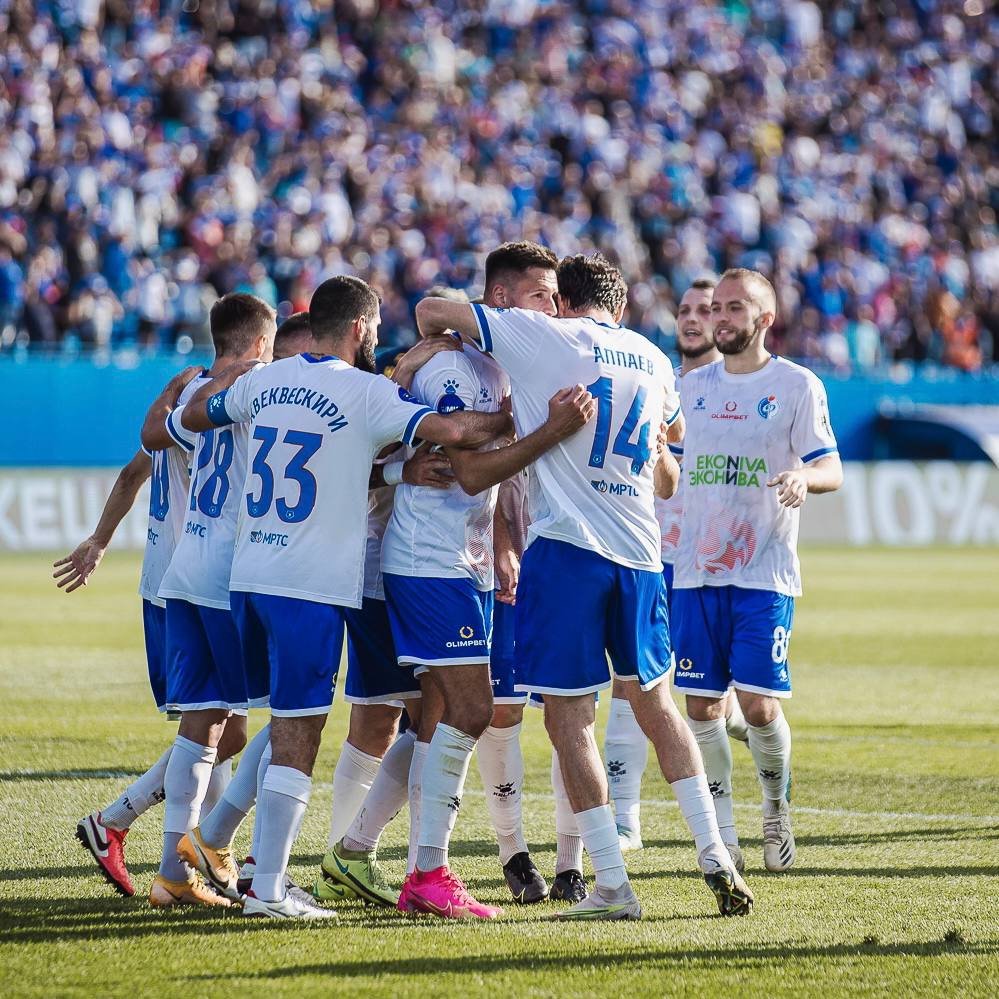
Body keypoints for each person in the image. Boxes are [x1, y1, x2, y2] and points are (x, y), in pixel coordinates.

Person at [414, 253, 754, 920]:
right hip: (641, 555)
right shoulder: (652, 358)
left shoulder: (547, 335)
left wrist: (443, 343)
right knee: (657, 707)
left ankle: (612, 884)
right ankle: (715, 853)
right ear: (620, 307)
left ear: (565, 303)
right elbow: (668, 468)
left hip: (568, 551)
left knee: (569, 720)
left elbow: (430, 309)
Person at [180, 275, 511, 919]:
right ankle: (268, 888)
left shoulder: (265, 380)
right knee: (300, 734)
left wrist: (224, 391)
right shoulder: (365, 391)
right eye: (376, 329)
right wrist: (513, 416)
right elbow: (454, 431)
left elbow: (192, 417)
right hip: (309, 585)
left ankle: (231, 852)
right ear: (360, 327)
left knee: (284, 723)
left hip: (250, 576)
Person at [670, 268, 842, 873]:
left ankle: (775, 809)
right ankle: (724, 833)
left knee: (760, 705)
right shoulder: (689, 388)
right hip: (694, 572)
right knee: (701, 707)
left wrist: (803, 477)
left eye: (734, 308)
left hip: (763, 570)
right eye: (715, 307)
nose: (719, 318)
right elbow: (667, 466)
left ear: (764, 319)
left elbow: (831, 467)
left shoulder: (796, 385)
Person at [139, 294, 278, 908]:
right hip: (229, 576)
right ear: (260, 343)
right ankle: (247, 859)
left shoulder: (197, 391)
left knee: (204, 725)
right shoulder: (261, 390)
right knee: (291, 714)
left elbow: (151, 437)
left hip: (184, 570)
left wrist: (173, 390)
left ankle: (173, 874)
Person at [603, 278, 750, 857]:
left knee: (704, 704)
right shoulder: (656, 377)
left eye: (706, 310)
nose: (692, 319)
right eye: (685, 310)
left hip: (708, 565)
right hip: (653, 553)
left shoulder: (737, 390)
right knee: (630, 681)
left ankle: (738, 727)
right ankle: (625, 819)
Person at [72, 364, 206, 897]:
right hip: (191, 587)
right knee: (215, 727)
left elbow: (132, 473)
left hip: (165, 583)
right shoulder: (218, 406)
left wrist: (99, 541)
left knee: (215, 726)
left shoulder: (181, 403)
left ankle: (185, 860)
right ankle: (124, 827)